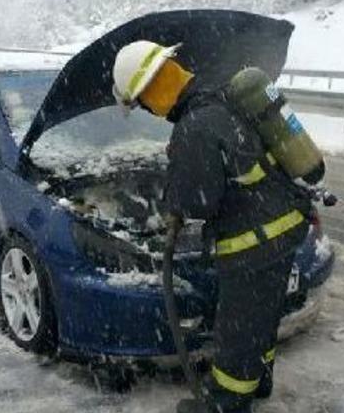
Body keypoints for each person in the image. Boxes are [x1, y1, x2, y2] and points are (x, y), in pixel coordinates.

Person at [111, 40, 316, 413]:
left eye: (142, 103)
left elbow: (199, 203)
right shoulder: (222, 98)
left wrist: (173, 194)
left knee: (236, 328)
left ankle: (226, 401)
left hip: (254, 241)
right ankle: (259, 378)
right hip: (286, 224)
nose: (150, 112)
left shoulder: (193, 127)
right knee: (262, 315)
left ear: (150, 92)